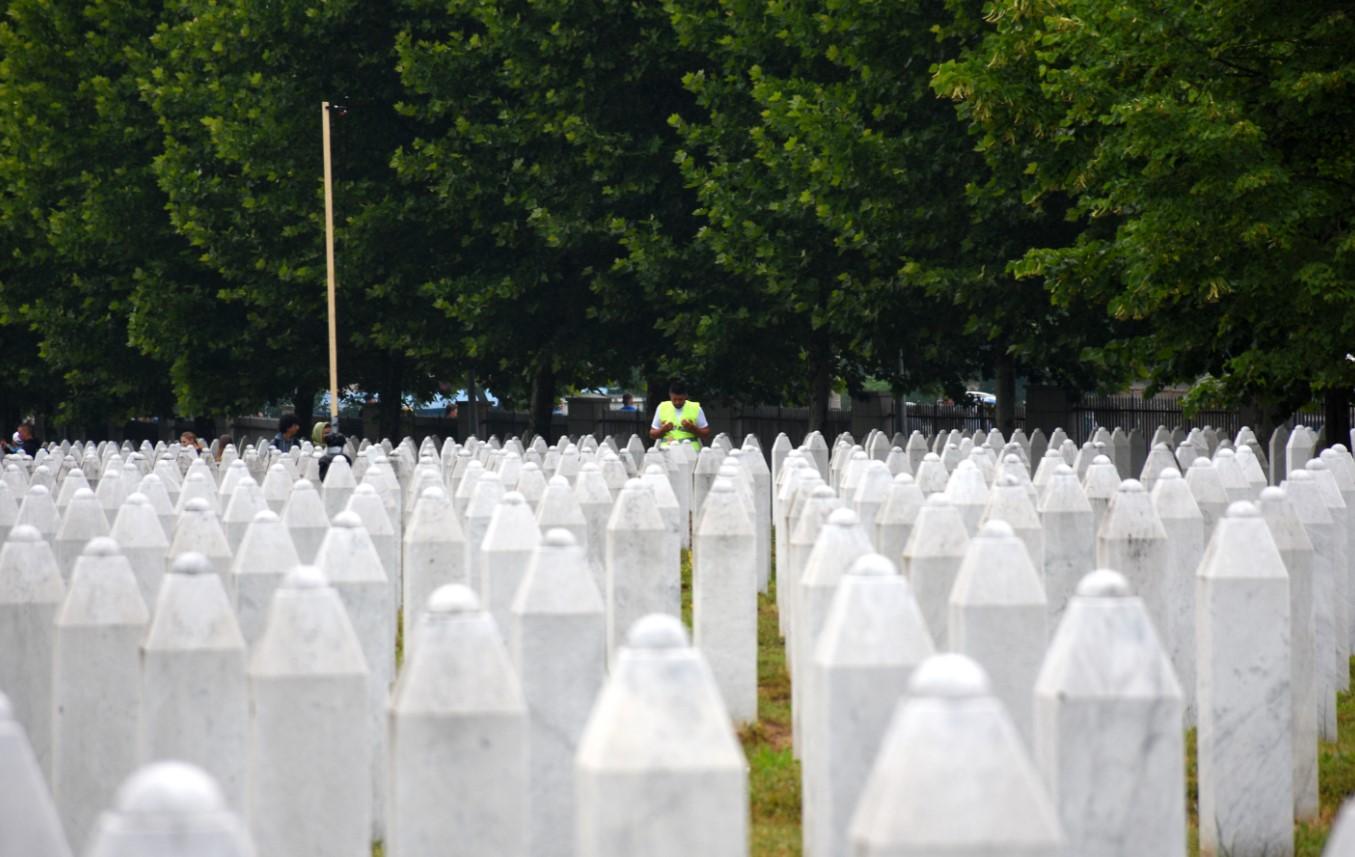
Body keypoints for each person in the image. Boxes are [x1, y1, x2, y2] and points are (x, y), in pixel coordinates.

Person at [649, 381, 711, 449]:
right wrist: (663, 429)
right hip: (667, 452)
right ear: (670, 395)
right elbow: (652, 435)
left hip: (690, 453)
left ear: (685, 396)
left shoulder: (696, 408)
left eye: (680, 399)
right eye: (674, 399)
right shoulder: (662, 407)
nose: (677, 402)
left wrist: (692, 428)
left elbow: (706, 434)